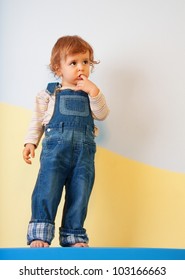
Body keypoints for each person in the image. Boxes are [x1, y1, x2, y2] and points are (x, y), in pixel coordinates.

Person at [23, 35, 109, 248]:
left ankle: (74, 235)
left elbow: (102, 114)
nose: (81, 68)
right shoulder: (49, 94)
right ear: (58, 68)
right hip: (55, 152)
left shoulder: (90, 94)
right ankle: (40, 233)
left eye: (85, 62)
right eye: (73, 63)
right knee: (47, 188)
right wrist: (30, 143)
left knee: (80, 193)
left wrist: (94, 91)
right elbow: (37, 121)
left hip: (84, 155)